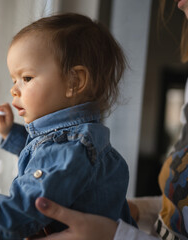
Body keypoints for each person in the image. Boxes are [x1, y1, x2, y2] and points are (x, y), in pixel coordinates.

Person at [0, 13, 136, 239]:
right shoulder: (77, 140)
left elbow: (19, 215)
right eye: (13, 79)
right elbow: (46, 161)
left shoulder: (71, 148)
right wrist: (10, 134)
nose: (14, 90)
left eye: (26, 78)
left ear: (74, 82)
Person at [34, 0, 188, 239]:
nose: (179, 3)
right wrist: (134, 211)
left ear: (75, 82)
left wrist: (114, 235)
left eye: (27, 77)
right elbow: (180, 205)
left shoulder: (80, 146)